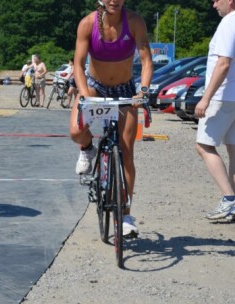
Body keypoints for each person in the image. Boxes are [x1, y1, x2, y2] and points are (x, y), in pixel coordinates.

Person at [70, 0, 153, 236]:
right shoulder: (87, 24)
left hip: (125, 89)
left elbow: (147, 60)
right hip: (95, 87)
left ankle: (126, 214)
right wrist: (85, 95)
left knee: (127, 153)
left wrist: (144, 91)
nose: (114, 0)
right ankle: (87, 148)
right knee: (76, 131)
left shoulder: (134, 22)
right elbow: (78, 63)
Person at [194, 0, 235, 220]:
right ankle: (233, 207)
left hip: (223, 96)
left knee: (204, 146)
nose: (214, 5)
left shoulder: (229, 23)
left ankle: (230, 200)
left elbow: (223, 64)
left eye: (216, 0)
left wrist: (205, 98)